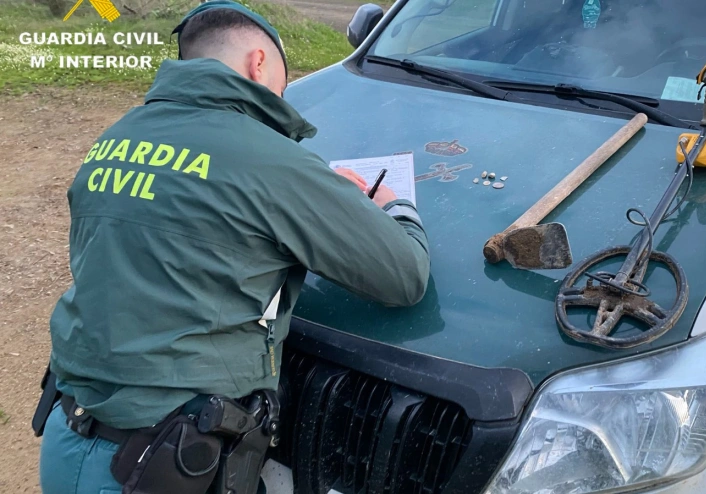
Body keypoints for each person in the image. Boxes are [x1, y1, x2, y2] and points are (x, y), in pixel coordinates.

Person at [36, 2, 430, 493]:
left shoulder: (115, 137)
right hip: (158, 462)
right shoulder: (271, 159)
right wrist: (394, 207)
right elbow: (405, 276)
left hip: (66, 433)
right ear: (258, 63)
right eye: (283, 85)